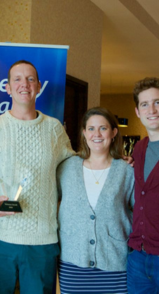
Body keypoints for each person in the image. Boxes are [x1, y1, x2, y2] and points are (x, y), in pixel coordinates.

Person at [0, 60, 74, 294]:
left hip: (43, 240)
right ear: (7, 87)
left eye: (30, 79)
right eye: (17, 79)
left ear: (38, 86)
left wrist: (109, 161)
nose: (24, 84)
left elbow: (73, 168)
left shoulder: (54, 129)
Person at [57, 107, 134, 294]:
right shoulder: (66, 168)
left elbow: (138, 213)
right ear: (84, 133)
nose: (96, 134)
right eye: (91, 129)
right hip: (73, 263)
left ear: (114, 132)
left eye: (103, 128)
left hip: (115, 264)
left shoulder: (127, 171)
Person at [127, 77, 159, 293]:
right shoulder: (139, 148)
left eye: (158, 102)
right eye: (145, 104)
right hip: (138, 257)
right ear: (138, 111)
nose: (152, 109)